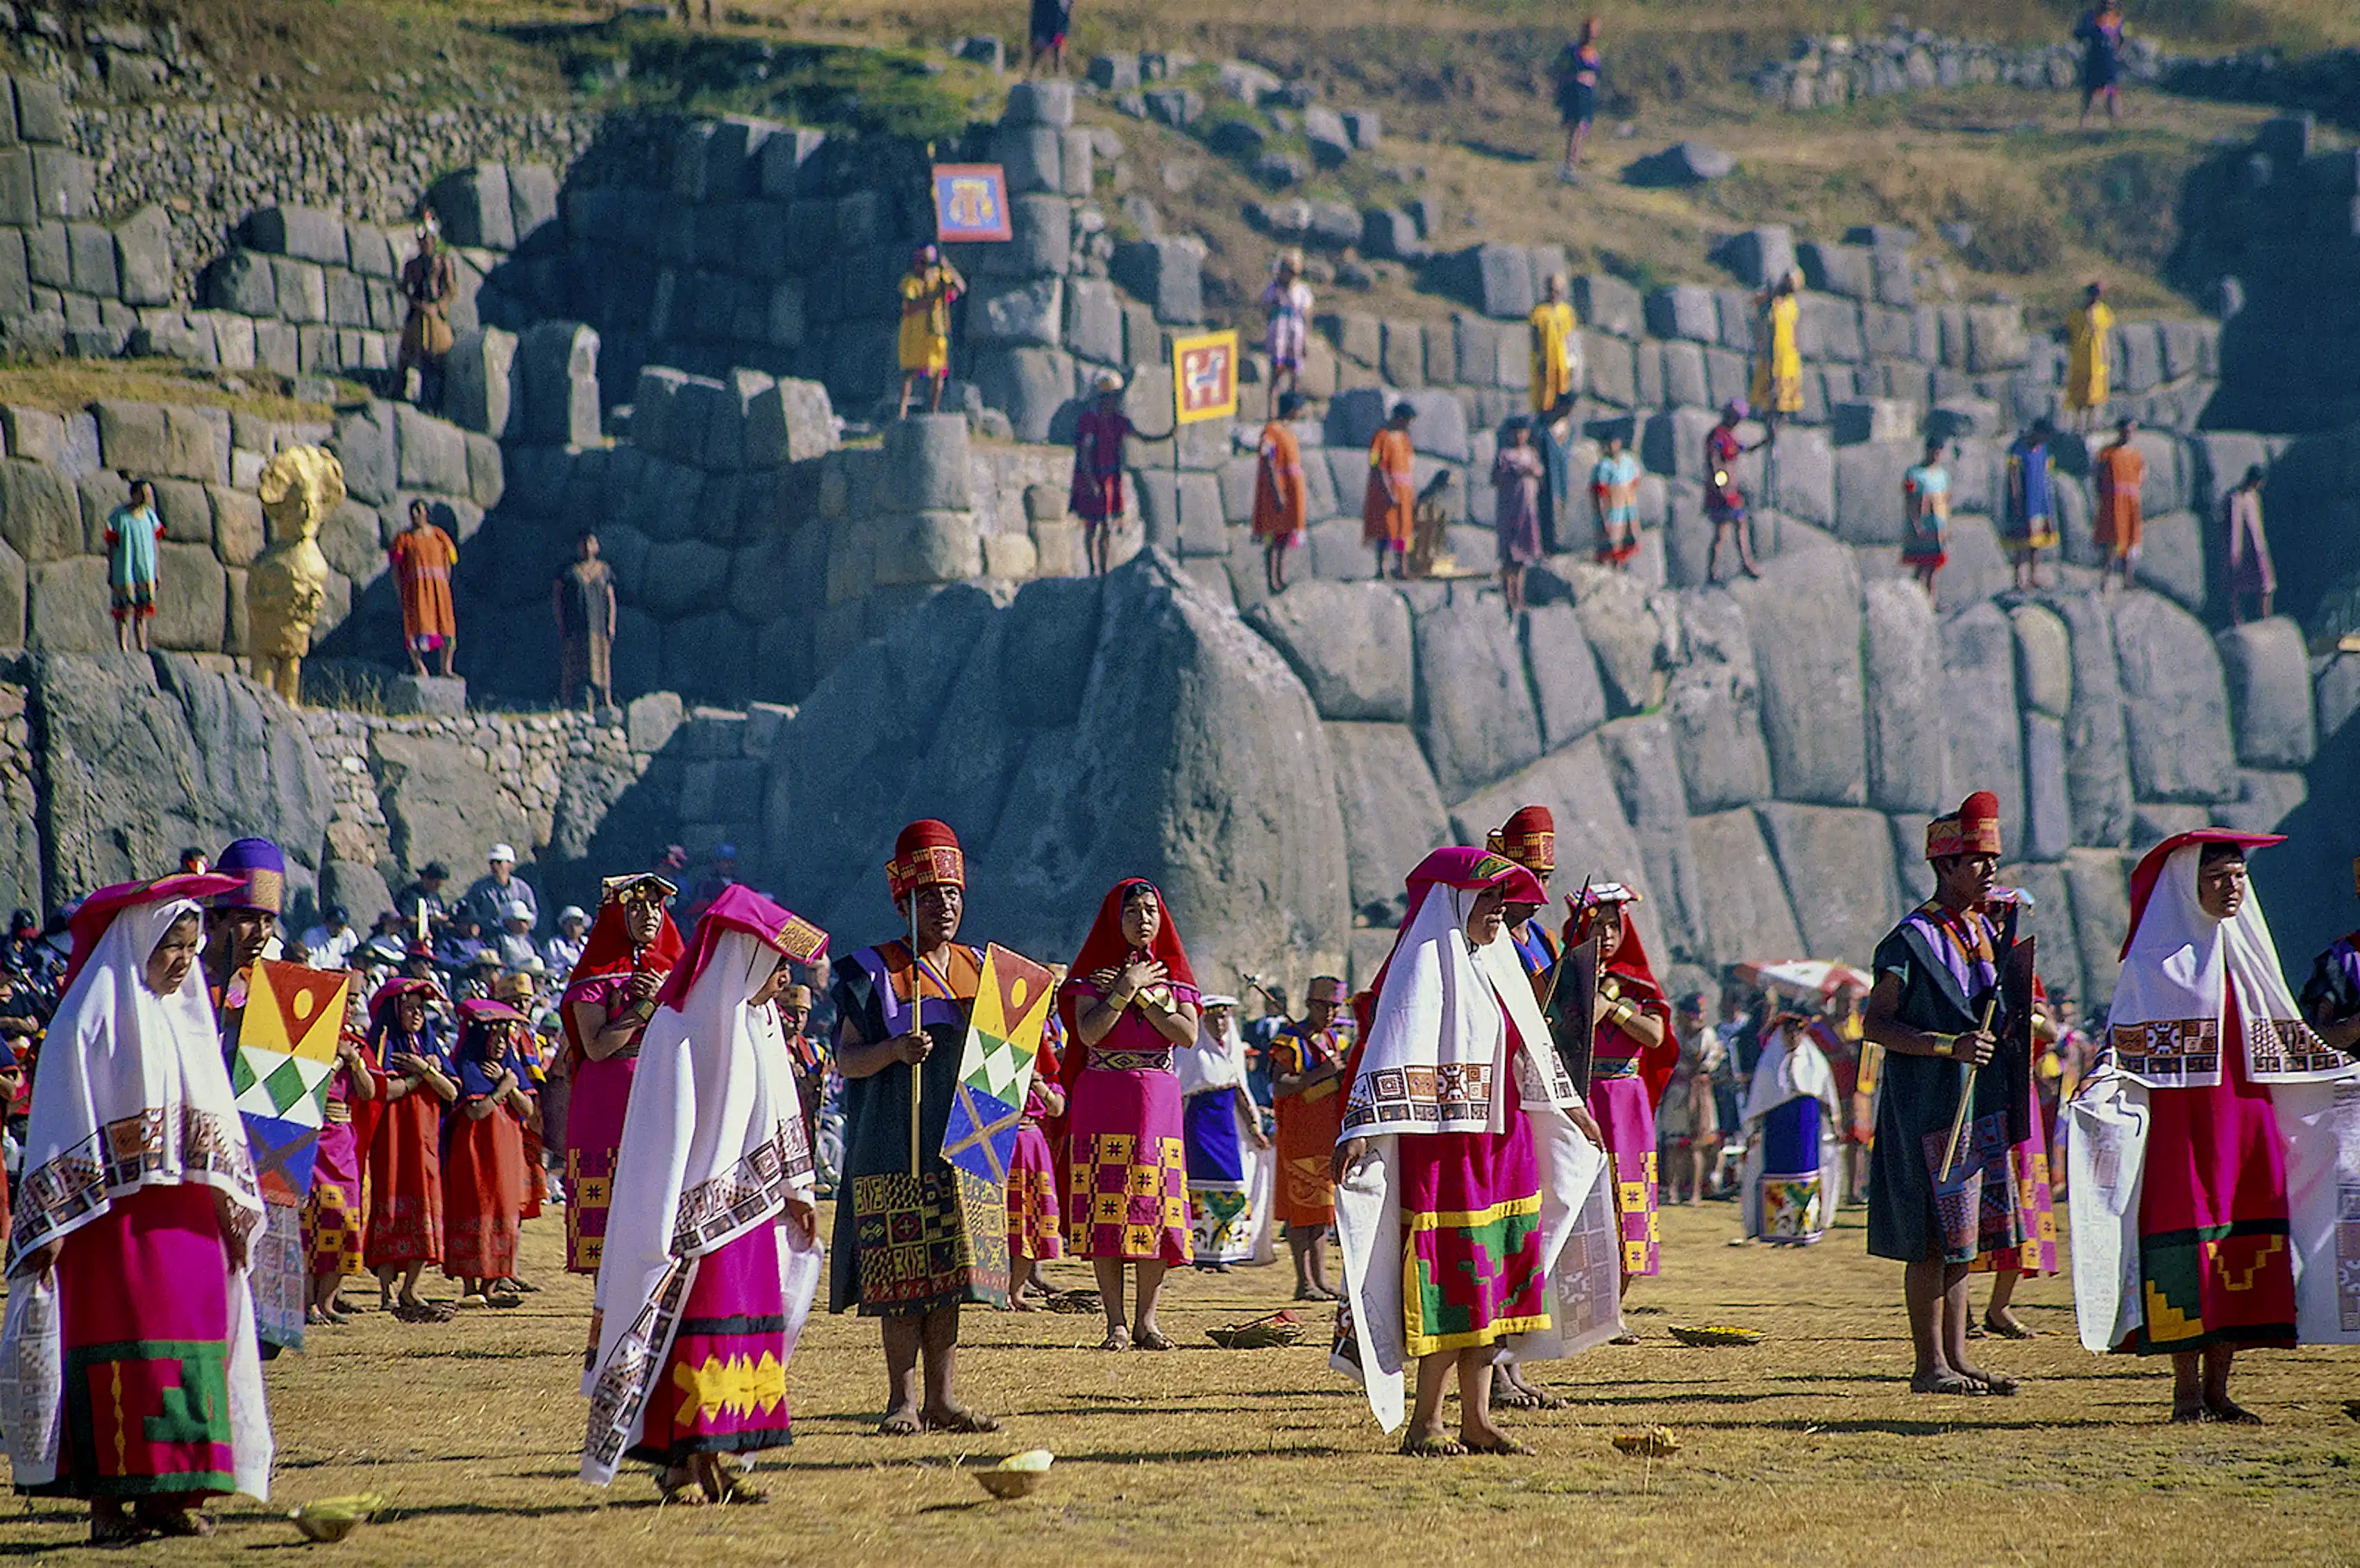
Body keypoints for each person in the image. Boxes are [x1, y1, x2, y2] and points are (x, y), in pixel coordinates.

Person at [1, 872, 271, 1542]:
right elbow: (62, 1120)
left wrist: (231, 1209)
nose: (182, 958)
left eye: (190, 945)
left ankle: (171, 1495)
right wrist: (54, 1223)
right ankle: (107, 1508)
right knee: (125, 1353)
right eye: (171, 945)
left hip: (188, 1224)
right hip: (111, 1222)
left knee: (190, 1355)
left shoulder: (192, 1019)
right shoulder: (87, 1016)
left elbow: (217, 1122)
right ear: (140, 942)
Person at [1333, 848, 1614, 1456]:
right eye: (1488, 899)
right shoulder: (1423, 965)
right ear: (1456, 902)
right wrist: (1359, 1129)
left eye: (1502, 900)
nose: (1499, 910)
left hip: (1504, 1144)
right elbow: (1390, 1047)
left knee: (1498, 1278)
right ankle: (1427, 1422)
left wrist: (1571, 1106)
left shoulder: (1501, 961)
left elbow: (1531, 1045)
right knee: (1453, 1279)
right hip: (1444, 1150)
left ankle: (1478, 1419)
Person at [2067, 830, 2357, 1422]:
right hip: (2183, 1124)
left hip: (2248, 1119)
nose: (2232, 887)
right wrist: (2099, 1077)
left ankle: (2220, 1389)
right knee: (2185, 1249)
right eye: (2219, 877)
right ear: (2188, 885)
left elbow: (2286, 1034)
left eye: (2239, 876)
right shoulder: (2154, 960)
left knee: (2243, 1246)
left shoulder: (2251, 953)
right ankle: (2186, 1394)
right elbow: (2123, 1041)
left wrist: (2341, 1068)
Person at [582, 885, 826, 1503]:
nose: (782, 979)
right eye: (774, 963)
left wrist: (798, 1188)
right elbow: (662, 1138)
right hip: (693, 1228)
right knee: (697, 1335)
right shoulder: (677, 1025)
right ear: (744, 955)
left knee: (745, 1332)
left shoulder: (761, 1019)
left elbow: (780, 1107)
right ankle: (679, 1463)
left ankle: (722, 1457)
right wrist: (670, 1220)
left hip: (752, 1216)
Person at [827, 819, 1002, 1433]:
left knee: (950, 1276)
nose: (945, 907)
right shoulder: (868, 972)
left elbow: (1004, 1063)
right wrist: (893, 1051)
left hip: (958, 1145)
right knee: (899, 1276)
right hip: (888, 1143)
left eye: (953, 895)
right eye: (931, 897)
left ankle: (942, 1399)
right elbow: (846, 1058)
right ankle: (901, 1400)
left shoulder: (984, 973)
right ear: (904, 902)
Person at [1862, 791, 2034, 1396]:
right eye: (1976, 861)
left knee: (1966, 1239)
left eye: (1993, 859)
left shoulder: (1988, 933)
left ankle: (1959, 1358)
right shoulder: (1908, 941)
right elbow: (1876, 1024)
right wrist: (1946, 1045)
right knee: (1932, 1239)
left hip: (1977, 1103)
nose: (1989, 870)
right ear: (1944, 867)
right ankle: (1928, 1363)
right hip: (1927, 1106)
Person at [1059, 879, 1202, 1351]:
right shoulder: (1090, 975)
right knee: (1108, 1205)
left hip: (1157, 1097)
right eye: (1133, 911)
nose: (1143, 919)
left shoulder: (1176, 975)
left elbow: (1185, 1034)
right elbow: (1091, 1031)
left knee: (1153, 1206)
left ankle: (1148, 1320)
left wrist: (1140, 994)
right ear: (1113, 919)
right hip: (1102, 1093)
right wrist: (1123, 986)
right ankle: (1115, 1322)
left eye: (1151, 910)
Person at [558, 875, 684, 1291]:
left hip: (662, 1091)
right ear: (616, 914)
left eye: (654, 907)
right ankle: (609, 1310)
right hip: (608, 1100)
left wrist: (669, 993)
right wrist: (648, 1006)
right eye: (635, 907)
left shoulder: (677, 973)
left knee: (661, 1204)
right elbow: (596, 1047)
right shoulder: (593, 978)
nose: (648, 915)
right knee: (609, 1212)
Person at [1567, 884, 1676, 1299]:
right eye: (1598, 926)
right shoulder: (1567, 977)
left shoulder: (1640, 983)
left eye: (1615, 926)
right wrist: (1598, 992)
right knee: (1579, 1198)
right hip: (1583, 1097)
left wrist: (1616, 1004)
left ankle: (1614, 1307)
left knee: (1626, 1204)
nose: (1608, 935)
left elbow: (1653, 1035)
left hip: (1627, 1103)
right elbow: (1577, 1025)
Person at [364, 977, 460, 1321]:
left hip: (425, 1142)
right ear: (393, 1010)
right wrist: (423, 1077)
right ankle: (387, 1291)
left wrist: (423, 1069)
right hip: (391, 1140)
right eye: (409, 1007)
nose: (417, 1014)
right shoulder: (382, 1044)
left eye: (421, 1008)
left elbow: (450, 1092)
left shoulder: (428, 1045)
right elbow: (383, 1091)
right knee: (389, 1202)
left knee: (426, 1206)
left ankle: (411, 1289)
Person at [441, 998, 537, 1307]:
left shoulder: (510, 1066)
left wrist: (509, 1084)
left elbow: (528, 1109)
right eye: (493, 1036)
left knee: (503, 1210)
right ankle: (471, 1288)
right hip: (475, 1152)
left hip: (506, 1151)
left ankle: (493, 1285)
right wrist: (501, 1089)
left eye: (503, 1036)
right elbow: (476, 1111)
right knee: (476, 1210)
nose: (499, 1044)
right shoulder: (469, 1066)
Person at [1179, 993, 1271, 1274]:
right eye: (1213, 1017)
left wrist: (1254, 1128)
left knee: (1231, 1183)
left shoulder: (1232, 1048)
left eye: (1224, 1017)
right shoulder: (1190, 1051)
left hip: (1227, 1128)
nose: (1219, 1023)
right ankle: (1199, 1252)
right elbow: (1181, 1092)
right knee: (1199, 1183)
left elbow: (1240, 1090)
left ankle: (1225, 1252)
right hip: (1198, 1125)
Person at [1270, 975, 1349, 1301]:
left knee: (1321, 1211)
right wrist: (1322, 1073)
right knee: (1302, 1210)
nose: (1328, 1013)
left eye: (1334, 1007)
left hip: (1326, 1134)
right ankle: (1303, 1282)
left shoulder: (1334, 1040)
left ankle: (1320, 1278)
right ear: (1308, 1004)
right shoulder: (1290, 1040)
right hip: (1299, 1133)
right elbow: (1280, 1085)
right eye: (1322, 1006)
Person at [302, 986, 377, 1325]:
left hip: (343, 1140)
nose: (348, 1009)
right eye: (343, 1002)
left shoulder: (356, 1045)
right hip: (313, 1138)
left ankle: (328, 1301)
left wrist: (355, 1060)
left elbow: (368, 1091)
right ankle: (307, 1304)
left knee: (344, 1219)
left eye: (352, 1002)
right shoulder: (308, 1041)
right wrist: (333, 1059)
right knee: (312, 1222)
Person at [1739, 997, 1842, 1244]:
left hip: (1806, 1124)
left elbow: (1826, 1094)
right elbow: (1760, 1100)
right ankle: (1779, 1229)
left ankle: (1805, 1226)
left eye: (1797, 1031)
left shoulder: (1815, 1061)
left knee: (1805, 1170)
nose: (1793, 1036)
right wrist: (1754, 1129)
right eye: (1788, 1032)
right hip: (1779, 1125)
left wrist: (1834, 1122)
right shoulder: (1769, 1063)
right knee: (1779, 1170)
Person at [1005, 1000, 1065, 1309]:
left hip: (1031, 1144)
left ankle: (1017, 1291)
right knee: (1002, 1217)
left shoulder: (1047, 1070)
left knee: (1029, 1217)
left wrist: (1038, 1084)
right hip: (1002, 1141)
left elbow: (1057, 1108)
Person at [1658, 994, 1723, 1206]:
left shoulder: (1707, 1035)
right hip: (1677, 1090)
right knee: (1674, 1143)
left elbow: (1707, 1060)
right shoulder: (1675, 1035)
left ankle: (1695, 1193)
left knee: (1697, 1144)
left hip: (1699, 1091)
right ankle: (1673, 1191)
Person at [1070, 373, 1133, 577]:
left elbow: (1142, 437)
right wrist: (1090, 481)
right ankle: (1092, 568)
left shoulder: (1118, 421)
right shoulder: (1090, 420)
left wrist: (1169, 434)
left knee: (1107, 524)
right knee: (1092, 524)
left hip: (1110, 477)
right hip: (1093, 477)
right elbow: (1085, 452)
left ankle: (1105, 570)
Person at [389, 499, 458, 680]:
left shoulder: (438, 535)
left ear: (426, 513)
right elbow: (396, 567)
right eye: (412, 511)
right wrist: (399, 589)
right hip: (416, 592)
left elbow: (448, 559)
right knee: (415, 626)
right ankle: (420, 668)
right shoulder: (404, 539)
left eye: (418, 510)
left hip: (439, 590)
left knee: (446, 627)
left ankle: (446, 668)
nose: (415, 515)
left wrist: (444, 583)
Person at [896, 244, 966, 419]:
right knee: (909, 373)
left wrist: (947, 267)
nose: (923, 266)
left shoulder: (940, 278)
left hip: (937, 331)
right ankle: (902, 413)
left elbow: (960, 288)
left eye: (927, 262)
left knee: (938, 373)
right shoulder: (910, 281)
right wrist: (931, 299)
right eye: (921, 261)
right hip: (915, 333)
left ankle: (933, 411)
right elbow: (909, 307)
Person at [1252, 389, 1311, 594]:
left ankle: (1280, 576)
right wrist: (1276, 491)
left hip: (1292, 489)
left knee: (1284, 535)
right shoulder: (1272, 430)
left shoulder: (1288, 432)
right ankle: (1272, 580)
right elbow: (1268, 459)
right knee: (1274, 535)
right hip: (1278, 488)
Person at [553, 531, 618, 714]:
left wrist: (611, 624)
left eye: (591, 542)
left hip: (598, 627)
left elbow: (610, 598)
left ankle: (606, 700)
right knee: (572, 664)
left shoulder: (604, 570)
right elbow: (557, 597)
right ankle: (567, 702)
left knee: (602, 664)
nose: (588, 547)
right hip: (575, 627)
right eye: (584, 543)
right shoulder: (569, 571)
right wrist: (561, 622)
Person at [398, 214, 457, 409]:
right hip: (418, 314)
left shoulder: (443, 262)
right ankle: (400, 391)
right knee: (407, 356)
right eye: (422, 242)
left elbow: (450, 290)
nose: (425, 245)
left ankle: (439, 403)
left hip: (436, 315)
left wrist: (437, 306)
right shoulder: (412, 265)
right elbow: (405, 289)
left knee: (441, 357)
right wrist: (417, 304)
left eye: (428, 241)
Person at [1705, 401, 1767, 582]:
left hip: (1730, 491)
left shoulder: (1730, 437)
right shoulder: (1717, 436)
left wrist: (1765, 441)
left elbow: (1744, 450)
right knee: (1724, 531)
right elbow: (1714, 463)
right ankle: (1717, 570)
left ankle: (1739, 564)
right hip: (1722, 492)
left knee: (1735, 526)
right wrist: (1721, 485)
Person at [104, 477, 164, 654]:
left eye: (149, 494)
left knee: (142, 612)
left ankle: (142, 646)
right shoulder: (118, 517)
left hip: (144, 569)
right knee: (124, 610)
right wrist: (111, 568)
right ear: (134, 494)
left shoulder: (150, 516)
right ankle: (123, 647)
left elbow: (155, 543)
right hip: (124, 569)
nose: (147, 497)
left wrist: (156, 570)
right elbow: (112, 545)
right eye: (144, 493)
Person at [1492, 418, 1544, 618]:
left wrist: (1531, 471)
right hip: (1510, 513)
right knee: (1509, 558)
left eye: (1523, 432)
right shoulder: (1505, 455)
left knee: (1522, 559)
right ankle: (1509, 597)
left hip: (1528, 513)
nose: (1520, 436)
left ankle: (1520, 598)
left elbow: (1540, 472)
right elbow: (1495, 479)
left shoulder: (1531, 454)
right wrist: (1512, 473)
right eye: (1516, 432)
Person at [2002, 419, 2060, 591]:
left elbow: (2046, 477)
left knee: (2037, 543)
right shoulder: (2018, 448)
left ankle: (2034, 576)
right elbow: (2013, 475)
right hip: (2023, 500)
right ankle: (2019, 579)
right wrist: (2016, 499)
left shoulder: (2043, 451)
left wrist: (2048, 506)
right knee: (2021, 542)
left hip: (2039, 500)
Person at [1363, 401, 1417, 581]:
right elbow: (1376, 465)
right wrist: (1388, 490)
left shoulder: (1404, 439)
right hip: (1385, 491)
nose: (1408, 425)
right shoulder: (1381, 437)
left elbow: (1408, 465)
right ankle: (1381, 568)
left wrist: (1410, 491)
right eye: (1407, 420)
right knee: (1385, 529)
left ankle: (1401, 568)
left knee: (1403, 529)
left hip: (1403, 491)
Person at [2093, 416, 2146, 592]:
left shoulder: (2136, 455)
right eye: (2126, 430)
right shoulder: (2107, 453)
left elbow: (2141, 477)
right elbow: (2098, 477)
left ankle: (2127, 580)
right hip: (2113, 504)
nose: (2128, 434)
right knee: (2112, 542)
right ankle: (2105, 580)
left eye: (2132, 431)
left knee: (2130, 542)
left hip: (2130, 504)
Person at [1261, 250, 1313, 418]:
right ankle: (1272, 413)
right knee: (1276, 373)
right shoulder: (1273, 288)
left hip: (1295, 333)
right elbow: (1265, 309)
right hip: (1279, 332)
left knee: (1295, 375)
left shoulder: (1303, 291)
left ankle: (1293, 412)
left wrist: (1306, 340)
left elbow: (1307, 315)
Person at [1750, 271, 1805, 428]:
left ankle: (1781, 416)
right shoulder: (1772, 299)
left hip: (1787, 353)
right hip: (1771, 351)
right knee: (1769, 382)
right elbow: (1756, 302)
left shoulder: (1792, 305)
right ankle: (1768, 413)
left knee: (1785, 385)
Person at [2223, 464, 2275, 624]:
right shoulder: (2235, 498)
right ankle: (2237, 618)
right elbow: (2234, 526)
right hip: (2240, 550)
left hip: (2258, 548)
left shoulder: (2254, 497)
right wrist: (2234, 552)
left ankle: (2266, 616)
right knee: (2236, 585)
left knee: (2267, 584)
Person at [1551, 18, 1602, 178]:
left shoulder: (1594, 54)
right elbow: (1560, 71)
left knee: (1583, 128)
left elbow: (1597, 74)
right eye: (1588, 31)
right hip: (1573, 94)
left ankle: (1575, 160)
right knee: (1574, 127)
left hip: (1587, 96)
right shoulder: (1571, 51)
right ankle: (1569, 162)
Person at [1900, 436, 1950, 597]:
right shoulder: (1914, 473)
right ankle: (1915, 599)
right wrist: (1916, 525)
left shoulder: (1943, 475)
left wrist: (1946, 528)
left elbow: (1946, 501)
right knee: (1921, 566)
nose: (1936, 454)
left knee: (1933, 567)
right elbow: (1910, 500)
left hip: (1938, 527)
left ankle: (1931, 601)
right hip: (1921, 526)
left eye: (1939, 451)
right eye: (1933, 450)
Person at [1528, 274, 1580, 414]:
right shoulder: (1539, 313)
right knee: (1544, 399)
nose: (1554, 294)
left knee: (1562, 398)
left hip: (1562, 365)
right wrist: (1539, 360)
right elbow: (1535, 341)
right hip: (1545, 363)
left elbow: (1571, 339)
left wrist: (1572, 360)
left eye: (1557, 291)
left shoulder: (1567, 312)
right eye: (1551, 290)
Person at [2064, 281, 2113, 431]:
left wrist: (2106, 355)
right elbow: (2069, 332)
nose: (2095, 297)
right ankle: (2078, 424)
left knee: (2096, 391)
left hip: (2097, 357)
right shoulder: (2077, 313)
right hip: (2080, 358)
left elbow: (2104, 336)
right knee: (2079, 391)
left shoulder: (2103, 312)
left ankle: (2092, 424)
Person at [1590, 428, 1641, 568]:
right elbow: (1599, 492)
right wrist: (1603, 515)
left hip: (1627, 509)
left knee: (1625, 542)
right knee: (1610, 544)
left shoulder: (1628, 461)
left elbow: (1634, 481)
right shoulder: (1603, 466)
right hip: (1610, 509)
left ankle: (1619, 570)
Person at [462, 845, 538, 936]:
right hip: (490, 938)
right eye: (492, 862)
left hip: (518, 938)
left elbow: (533, 915)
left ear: (510, 864)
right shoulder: (479, 889)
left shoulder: (522, 889)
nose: (494, 866)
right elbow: (470, 913)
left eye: (499, 862)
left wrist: (523, 926)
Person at [2075, 1, 2125, 130]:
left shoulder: (2118, 18)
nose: (2109, 5)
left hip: (2110, 62)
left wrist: (2119, 53)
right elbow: (2078, 34)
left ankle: (2116, 126)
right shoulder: (2090, 17)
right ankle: (2084, 126)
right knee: (2090, 95)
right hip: (2094, 60)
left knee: (2113, 93)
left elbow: (2122, 39)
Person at [1407, 470, 1456, 580]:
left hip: (1431, 536)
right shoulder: (1427, 497)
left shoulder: (1440, 498)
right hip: (1422, 536)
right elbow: (1421, 520)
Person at [394, 860, 452, 936]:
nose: (438, 888)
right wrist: (430, 921)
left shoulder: (435, 896)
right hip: (415, 940)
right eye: (437, 884)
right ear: (427, 878)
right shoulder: (410, 894)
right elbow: (407, 921)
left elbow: (444, 914)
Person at [298, 904, 360, 969]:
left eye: (341, 925)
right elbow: (308, 961)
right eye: (335, 924)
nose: (338, 928)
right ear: (326, 922)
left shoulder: (349, 935)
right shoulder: (312, 935)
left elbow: (356, 959)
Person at [1026, 0, 1073, 77]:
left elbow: (1064, 17)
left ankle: (1059, 73)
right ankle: (1032, 74)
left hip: (1058, 30)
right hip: (1042, 27)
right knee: (1038, 48)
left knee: (1058, 49)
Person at [543, 904, 589, 976]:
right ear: (563, 926)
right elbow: (552, 967)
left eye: (577, 924)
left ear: (583, 927)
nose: (573, 928)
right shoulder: (555, 944)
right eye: (570, 925)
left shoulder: (589, 942)